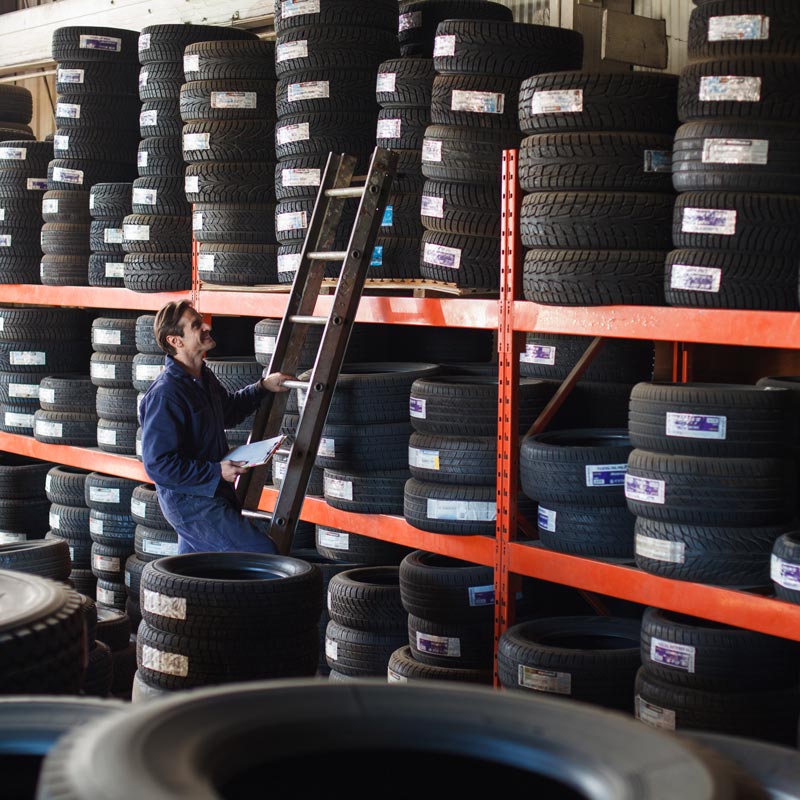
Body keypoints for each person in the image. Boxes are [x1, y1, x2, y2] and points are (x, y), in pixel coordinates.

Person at [138, 300, 293, 554]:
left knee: (196, 577)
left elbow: (227, 412)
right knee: (263, 555)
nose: (207, 326)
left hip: (211, 494)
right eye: (196, 325)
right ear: (175, 341)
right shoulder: (166, 394)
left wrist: (262, 387)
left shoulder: (202, 377)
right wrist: (215, 471)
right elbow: (158, 465)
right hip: (191, 503)